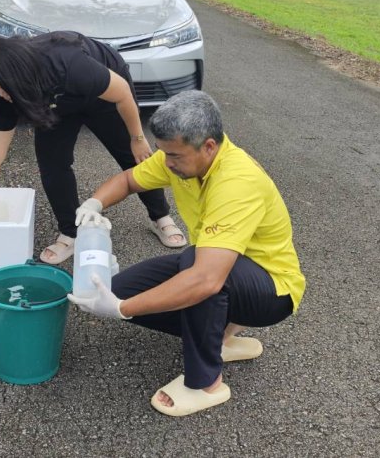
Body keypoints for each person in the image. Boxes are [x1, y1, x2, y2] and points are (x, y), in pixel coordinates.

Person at [67, 90, 305, 417]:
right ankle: (221, 339)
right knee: (116, 289)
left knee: (196, 274)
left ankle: (206, 384)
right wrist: (94, 204)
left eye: (174, 156)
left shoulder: (237, 182)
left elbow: (206, 280)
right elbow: (127, 181)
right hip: (219, 266)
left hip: (272, 291)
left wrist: (123, 310)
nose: (166, 163)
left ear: (209, 146)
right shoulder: (182, 159)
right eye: (164, 154)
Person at [0, 31, 185, 263]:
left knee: (132, 155)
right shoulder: (5, 96)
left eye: (4, 88)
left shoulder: (68, 64)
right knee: (52, 163)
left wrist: (137, 138)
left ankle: (161, 216)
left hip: (105, 96)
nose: (1, 94)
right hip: (57, 103)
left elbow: (122, 93)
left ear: (21, 78)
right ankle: (71, 232)